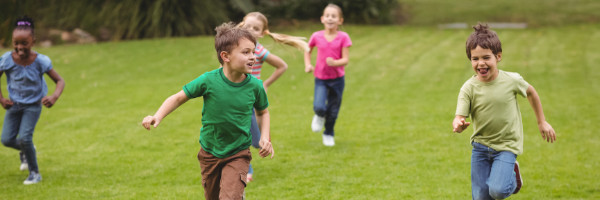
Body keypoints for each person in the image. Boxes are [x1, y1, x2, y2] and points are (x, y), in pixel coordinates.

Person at [142, 22, 274, 200]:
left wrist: (264, 137)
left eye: (253, 51)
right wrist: (157, 115)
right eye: (246, 52)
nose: (253, 57)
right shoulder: (208, 80)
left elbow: (263, 112)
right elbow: (178, 98)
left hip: (238, 152)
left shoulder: (255, 86)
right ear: (225, 56)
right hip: (210, 152)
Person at [453, 23, 557, 200]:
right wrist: (459, 124)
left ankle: (513, 180)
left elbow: (531, 92)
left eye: (486, 57)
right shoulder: (468, 88)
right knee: (480, 197)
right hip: (480, 147)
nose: (481, 63)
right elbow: (459, 116)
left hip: (506, 146)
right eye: (475, 59)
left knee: (498, 191)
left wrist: (541, 121)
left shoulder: (512, 80)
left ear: (498, 56)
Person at [238, 11, 309, 182]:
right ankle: (246, 168)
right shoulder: (235, 46)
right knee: (240, 132)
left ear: (262, 33)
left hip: (252, 97)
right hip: (236, 96)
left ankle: (261, 139)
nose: (250, 30)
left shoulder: (260, 51)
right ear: (242, 26)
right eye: (247, 26)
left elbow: (282, 66)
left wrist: (266, 83)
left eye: (256, 28)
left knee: (255, 141)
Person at [0, 16, 66, 185]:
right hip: (14, 105)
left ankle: (35, 173)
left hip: (33, 105)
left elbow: (60, 80)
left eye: (24, 43)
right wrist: (1, 99)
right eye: (16, 43)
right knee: (6, 140)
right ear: (12, 42)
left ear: (33, 41)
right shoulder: (7, 59)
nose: (20, 47)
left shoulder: (41, 61)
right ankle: (26, 149)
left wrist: (54, 97)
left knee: (25, 138)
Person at [304, 4, 352, 146]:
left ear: (340, 20)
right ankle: (319, 115)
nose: (330, 18)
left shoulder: (343, 37)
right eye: (327, 15)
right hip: (321, 79)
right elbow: (308, 50)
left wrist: (335, 63)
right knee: (319, 106)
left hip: (337, 80)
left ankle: (328, 133)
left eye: (334, 16)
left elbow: (346, 59)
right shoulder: (316, 36)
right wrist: (308, 64)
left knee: (333, 110)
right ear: (322, 19)